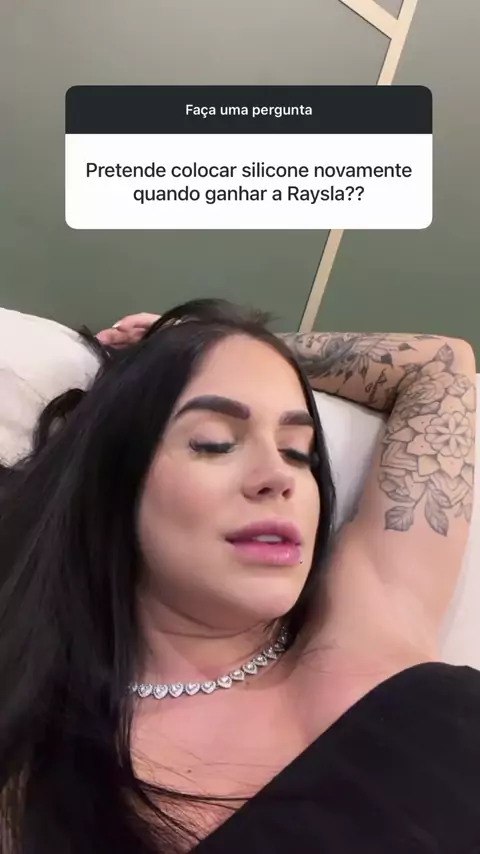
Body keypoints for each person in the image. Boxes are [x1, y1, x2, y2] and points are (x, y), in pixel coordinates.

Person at [0, 298, 478, 854]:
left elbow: (440, 366)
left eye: (299, 453)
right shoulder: (40, 781)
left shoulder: (372, 619)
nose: (278, 475)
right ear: (113, 480)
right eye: (214, 443)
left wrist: (226, 342)